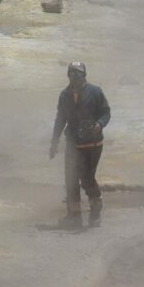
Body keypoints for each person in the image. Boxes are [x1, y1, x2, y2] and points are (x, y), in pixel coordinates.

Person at [49, 62, 111, 228]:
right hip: (72, 143)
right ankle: (74, 216)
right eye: (71, 73)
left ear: (84, 75)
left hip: (93, 144)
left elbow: (106, 112)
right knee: (70, 180)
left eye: (77, 74)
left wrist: (100, 124)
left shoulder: (95, 92)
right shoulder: (64, 95)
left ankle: (96, 207)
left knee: (86, 178)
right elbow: (60, 119)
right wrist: (54, 142)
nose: (74, 77)